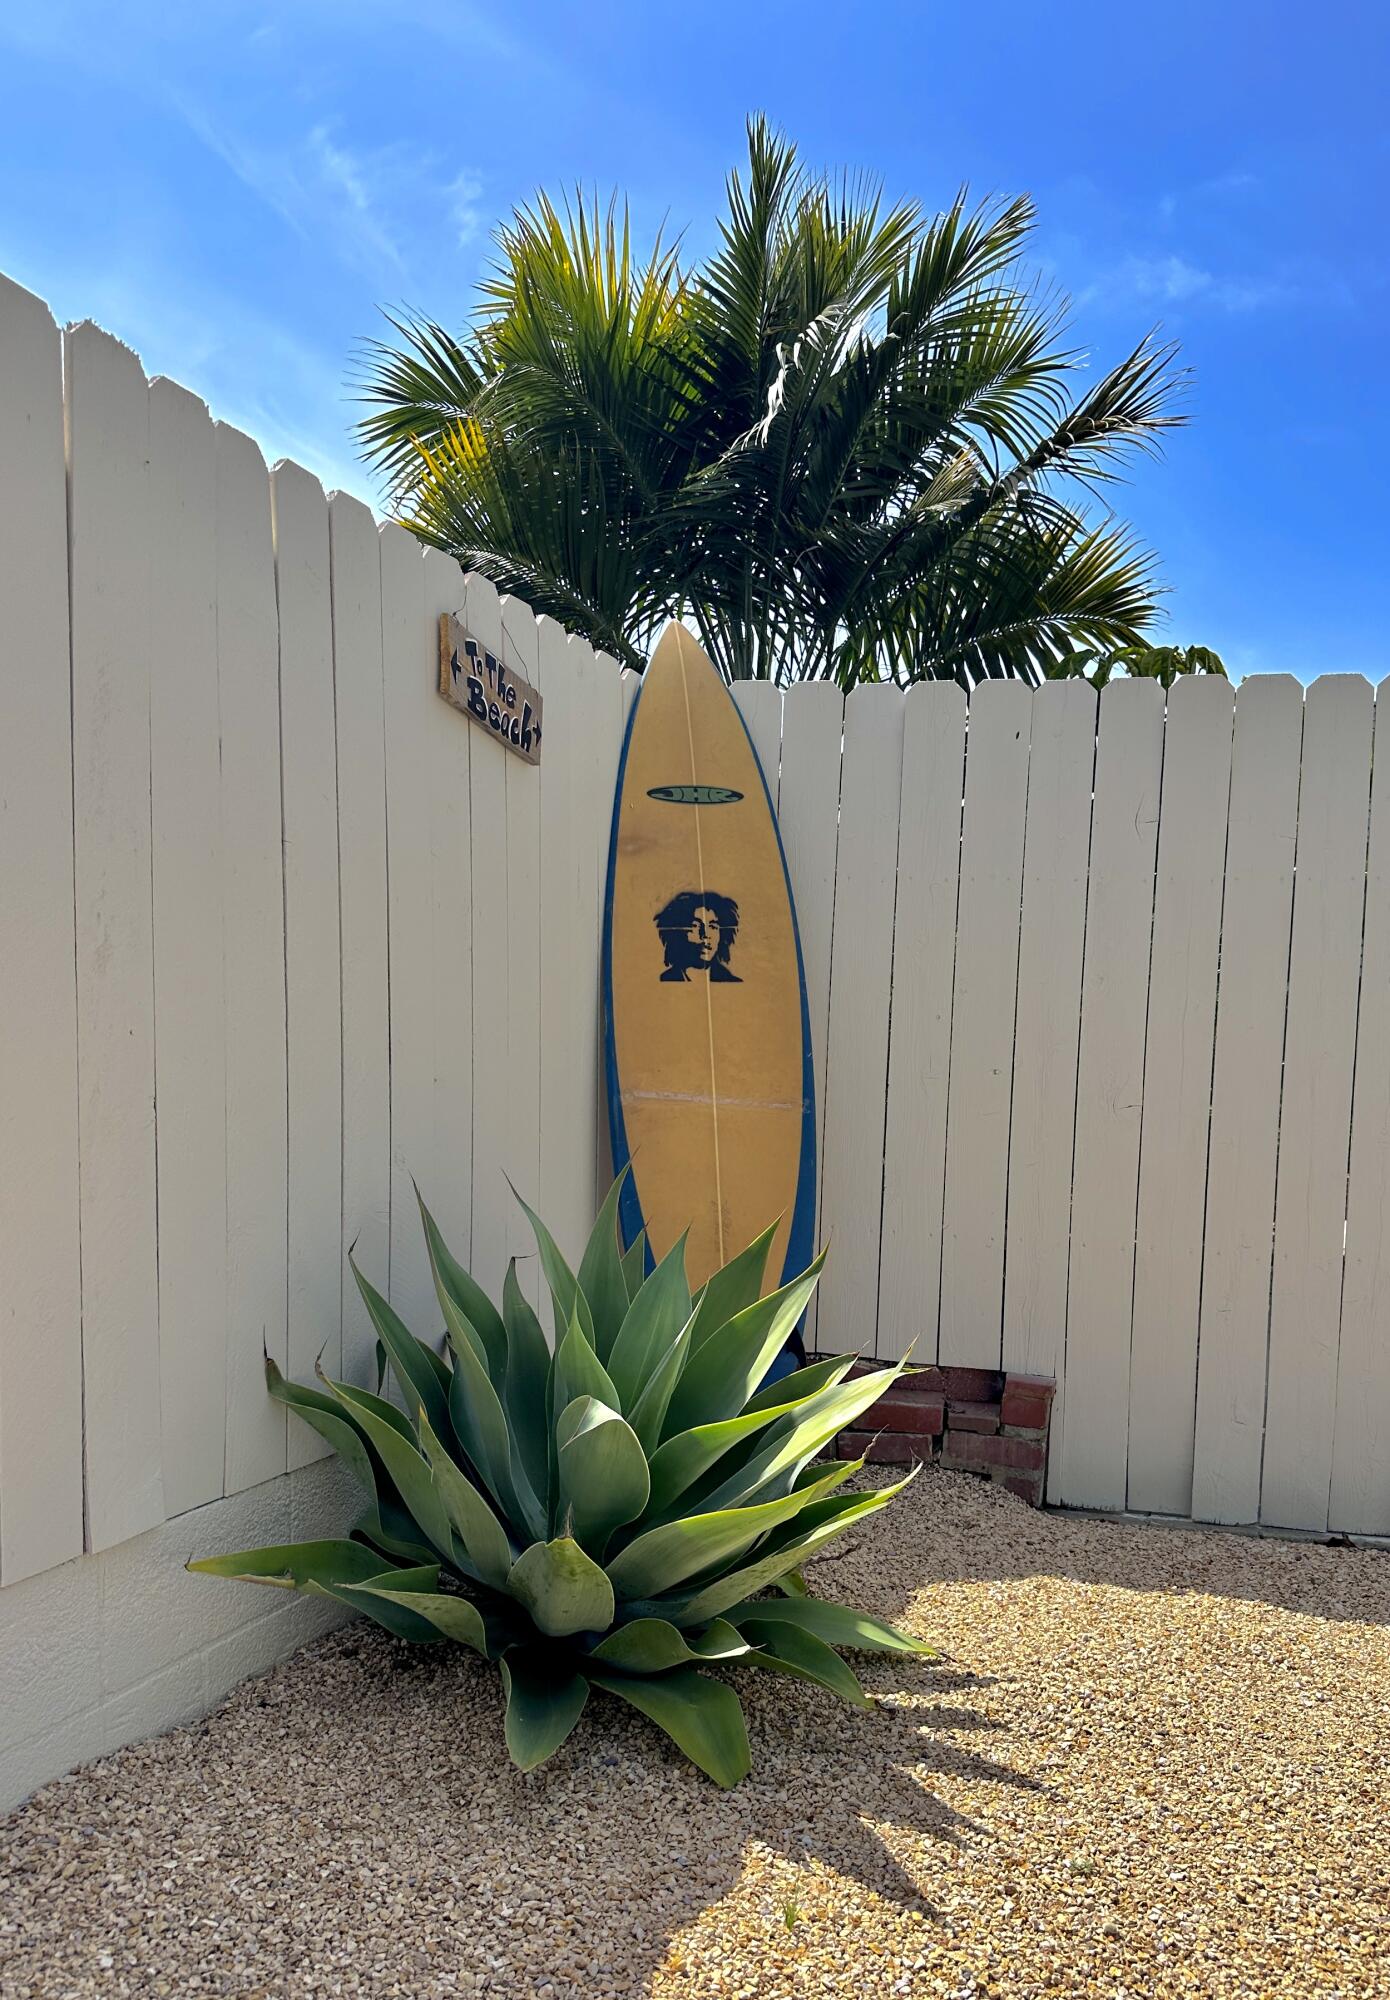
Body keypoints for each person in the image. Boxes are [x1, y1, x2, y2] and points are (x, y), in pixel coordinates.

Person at [654, 890, 742, 983]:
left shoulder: (731, 981)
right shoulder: (664, 980)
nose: (705, 935)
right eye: (695, 926)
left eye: (713, 927)